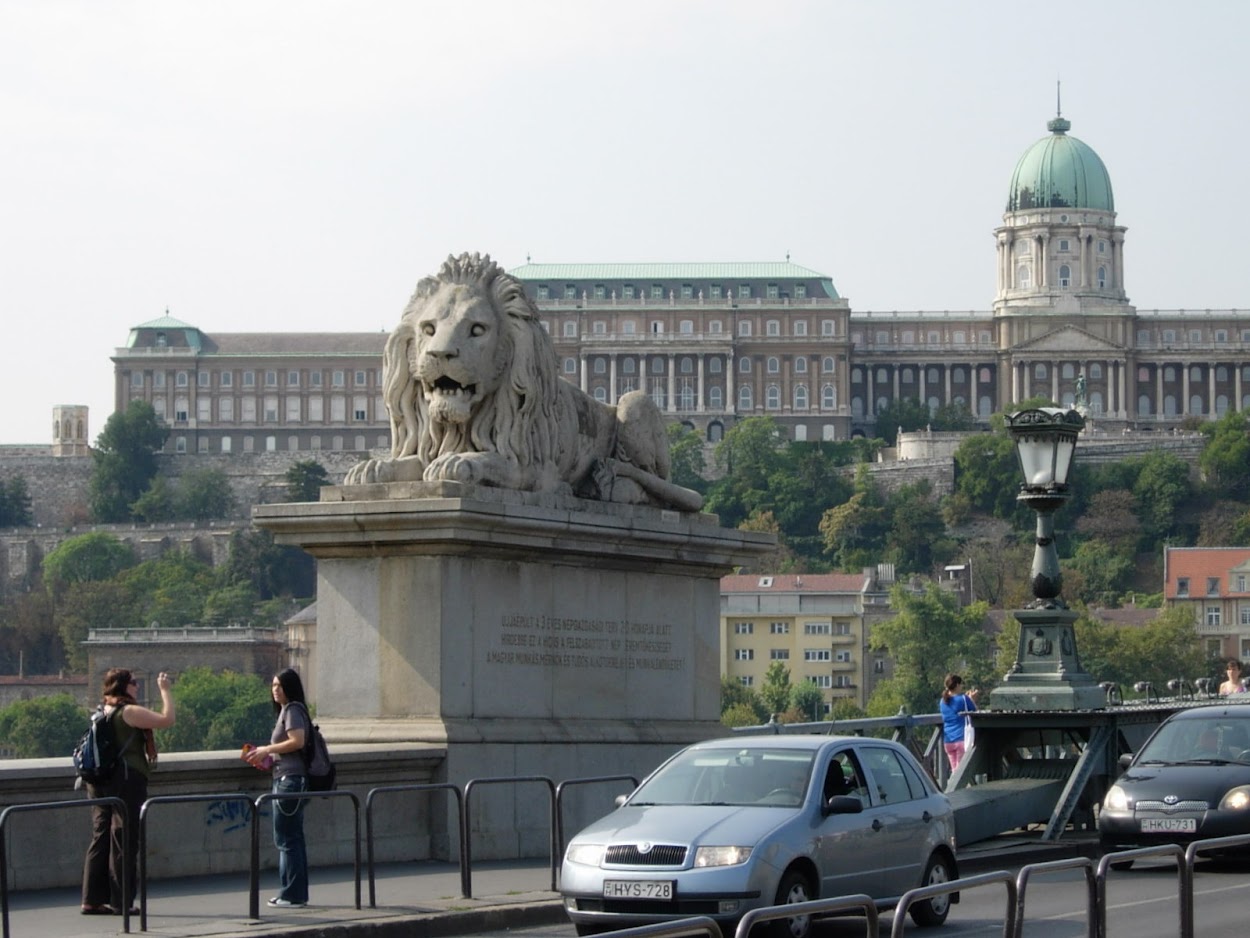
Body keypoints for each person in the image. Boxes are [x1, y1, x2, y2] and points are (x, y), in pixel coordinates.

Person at [81, 669, 175, 916]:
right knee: (124, 838)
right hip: (126, 779)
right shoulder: (128, 711)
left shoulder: (103, 710)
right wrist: (165, 690)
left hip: (98, 779)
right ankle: (121, 901)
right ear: (123, 686)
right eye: (134, 683)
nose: (137, 687)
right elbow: (167, 719)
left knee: (100, 836)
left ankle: (91, 899)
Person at [246, 668, 312, 907]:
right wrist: (268, 759)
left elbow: (297, 741)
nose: (275, 690)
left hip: (290, 782)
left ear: (290, 688)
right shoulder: (289, 710)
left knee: (286, 839)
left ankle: (291, 894)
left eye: (279, 686)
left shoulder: (293, 709)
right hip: (289, 777)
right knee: (293, 838)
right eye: (273, 685)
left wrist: (267, 750)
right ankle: (295, 892)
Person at [939, 673, 978, 771]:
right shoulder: (964, 699)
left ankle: (954, 786)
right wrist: (971, 699)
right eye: (960, 685)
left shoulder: (942, 701)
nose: (961, 687)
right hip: (961, 739)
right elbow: (975, 710)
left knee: (955, 771)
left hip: (948, 741)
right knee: (960, 773)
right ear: (956, 685)